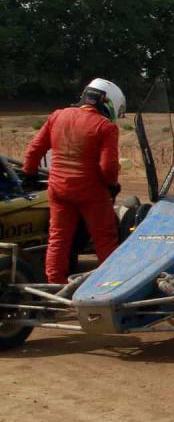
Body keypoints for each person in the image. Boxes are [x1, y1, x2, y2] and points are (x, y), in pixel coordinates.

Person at [23, 79, 126, 285]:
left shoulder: (58, 116)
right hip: (91, 192)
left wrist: (29, 174)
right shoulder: (105, 127)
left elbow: (34, 149)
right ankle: (110, 285)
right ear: (109, 103)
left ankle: (55, 285)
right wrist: (112, 185)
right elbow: (108, 167)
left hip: (58, 189)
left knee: (58, 239)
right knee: (105, 240)